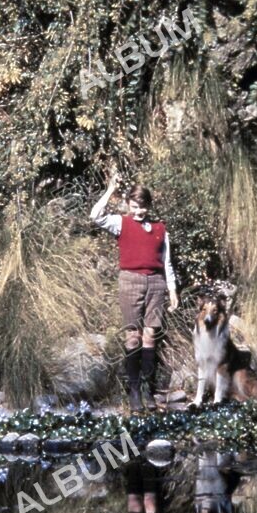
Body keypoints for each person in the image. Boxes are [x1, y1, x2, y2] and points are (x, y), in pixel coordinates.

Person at [90, 174, 179, 412]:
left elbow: (166, 262)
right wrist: (110, 190)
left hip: (156, 283)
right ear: (129, 205)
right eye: (134, 206)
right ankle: (134, 392)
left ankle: (149, 392)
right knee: (133, 336)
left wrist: (172, 290)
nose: (138, 211)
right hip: (130, 281)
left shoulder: (161, 229)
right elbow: (95, 216)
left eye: (142, 207)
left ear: (149, 206)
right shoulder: (122, 223)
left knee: (151, 335)